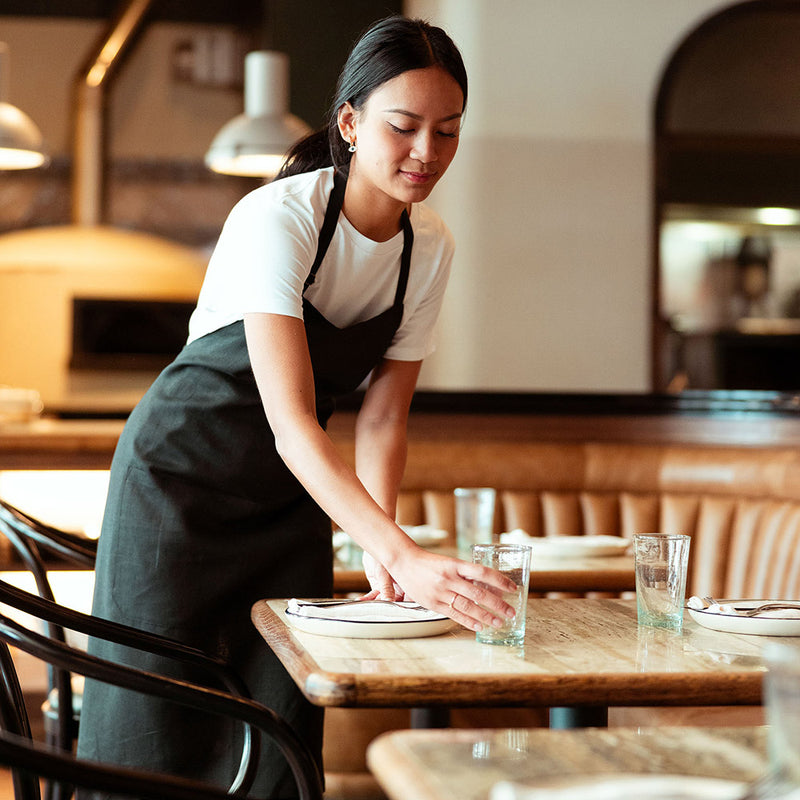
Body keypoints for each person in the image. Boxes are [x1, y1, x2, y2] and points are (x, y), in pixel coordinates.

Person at [76, 14, 515, 799]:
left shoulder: (430, 247)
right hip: (178, 485)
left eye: (447, 132)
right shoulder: (277, 218)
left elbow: (383, 418)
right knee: (155, 729)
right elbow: (291, 422)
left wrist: (385, 556)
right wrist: (405, 554)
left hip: (288, 504)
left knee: (280, 728)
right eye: (404, 127)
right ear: (349, 122)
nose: (426, 153)